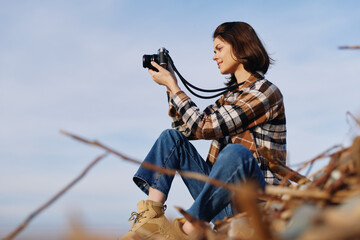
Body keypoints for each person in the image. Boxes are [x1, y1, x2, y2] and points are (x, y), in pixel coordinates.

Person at [120, 21, 286, 239]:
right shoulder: (228, 98)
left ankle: (186, 230)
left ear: (240, 46)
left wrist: (174, 87)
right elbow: (186, 129)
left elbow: (205, 127)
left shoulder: (266, 92)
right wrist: (171, 86)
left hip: (256, 207)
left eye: (219, 49)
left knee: (236, 154)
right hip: (222, 204)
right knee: (171, 138)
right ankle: (151, 220)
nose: (214, 57)